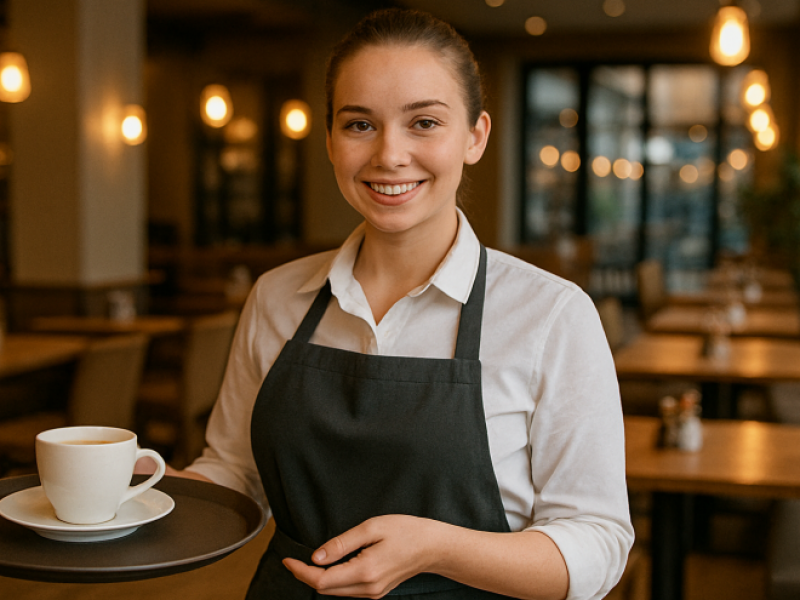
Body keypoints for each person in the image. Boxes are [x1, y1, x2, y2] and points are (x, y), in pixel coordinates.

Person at [164, 8, 633, 600]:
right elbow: (236, 471)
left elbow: (599, 542)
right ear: (331, 139)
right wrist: (163, 492)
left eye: (424, 123)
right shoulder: (277, 296)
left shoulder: (552, 315)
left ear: (475, 137)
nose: (389, 154)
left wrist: (438, 549)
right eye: (360, 125)